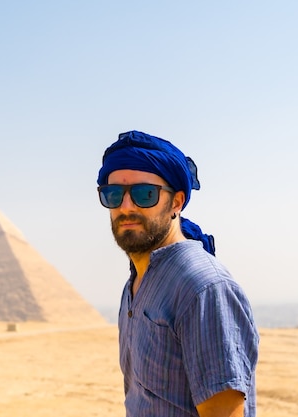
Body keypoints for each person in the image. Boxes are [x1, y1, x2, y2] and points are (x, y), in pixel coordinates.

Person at [96, 130, 259, 417]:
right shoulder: (136, 283)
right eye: (112, 195)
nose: (126, 206)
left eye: (144, 194)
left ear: (176, 202)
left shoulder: (202, 288)